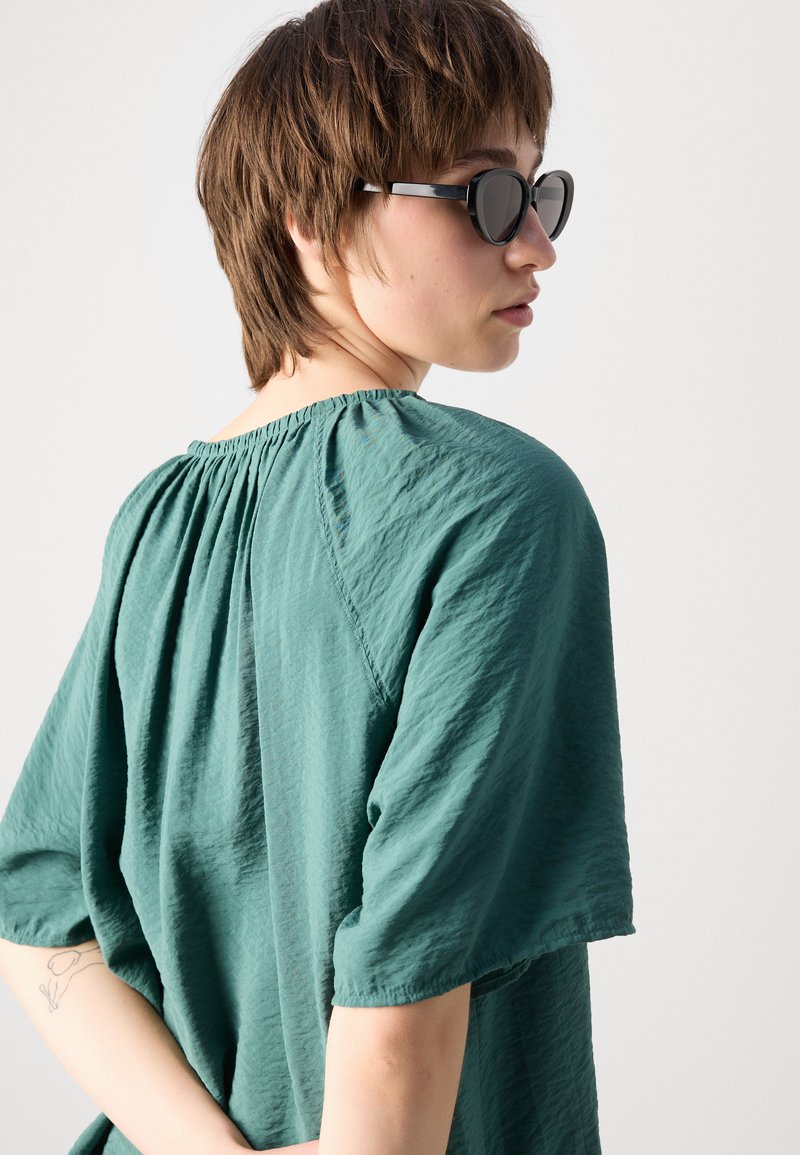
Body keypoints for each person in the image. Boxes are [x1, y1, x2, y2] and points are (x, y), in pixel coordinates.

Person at [0, 0, 636, 1152]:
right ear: (313, 218)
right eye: (485, 194)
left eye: (540, 194)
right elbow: (404, 974)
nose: (536, 244)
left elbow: (40, 922)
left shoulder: (157, 520)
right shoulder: (495, 503)